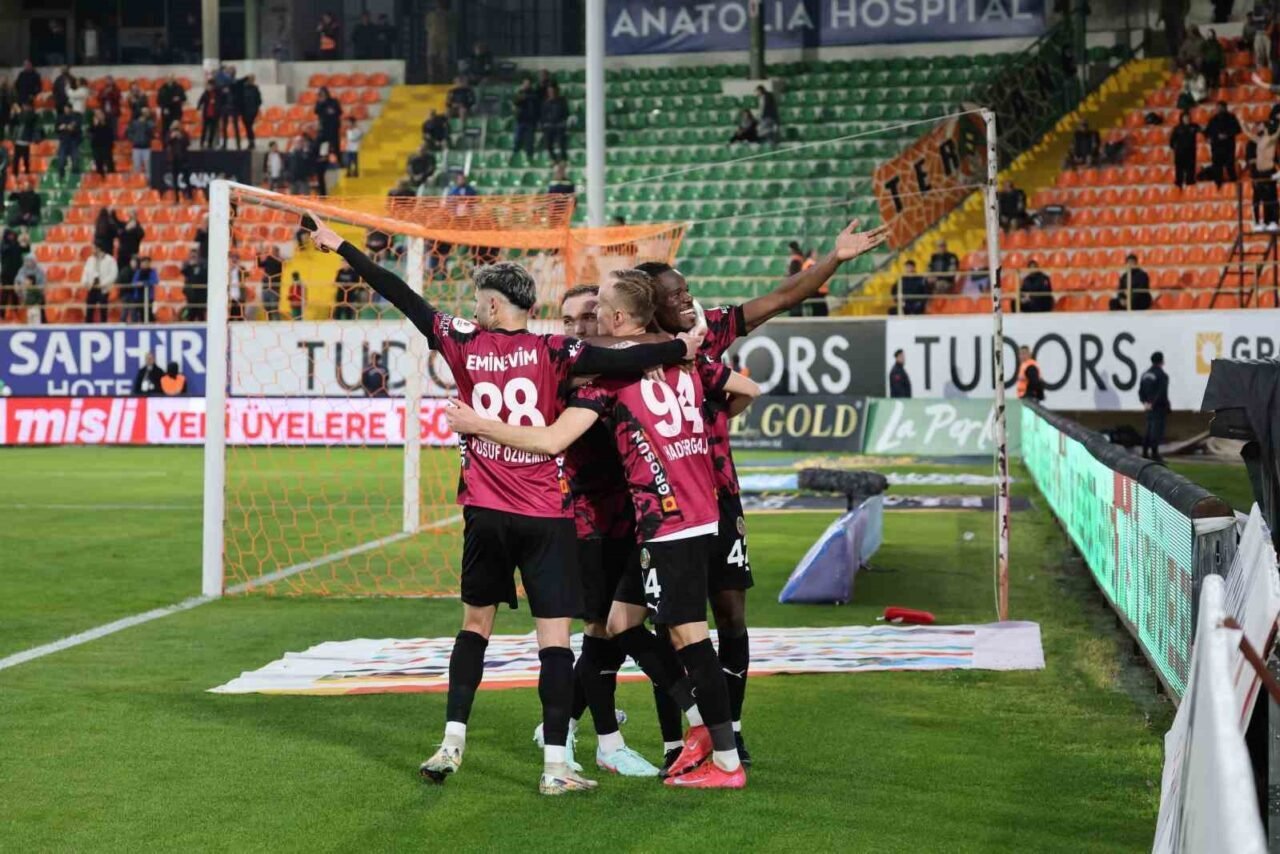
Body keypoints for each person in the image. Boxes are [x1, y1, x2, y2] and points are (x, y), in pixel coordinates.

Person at [302, 212, 709, 795]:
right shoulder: (555, 349)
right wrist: (680, 346)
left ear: (494, 305)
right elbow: (622, 359)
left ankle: (452, 741)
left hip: (485, 511)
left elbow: (399, 293)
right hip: (546, 512)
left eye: (478, 302)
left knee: (474, 627)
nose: (474, 310)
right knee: (555, 642)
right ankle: (555, 767)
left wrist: (341, 245)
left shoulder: (461, 340)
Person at [448, 270, 761, 789]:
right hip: (664, 515)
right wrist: (702, 436)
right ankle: (668, 731)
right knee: (618, 623)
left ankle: (718, 753)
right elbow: (745, 388)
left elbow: (551, 440)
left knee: (679, 634)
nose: (583, 326)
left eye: (592, 316)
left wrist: (476, 424)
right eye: (572, 319)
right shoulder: (681, 360)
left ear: (614, 318)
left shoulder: (608, 379)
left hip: (658, 519)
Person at [632, 217, 888, 764]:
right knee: (672, 626)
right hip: (666, 507)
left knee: (731, 617)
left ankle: (732, 730)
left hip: (720, 497)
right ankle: (678, 741)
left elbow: (782, 297)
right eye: (674, 295)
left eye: (686, 289)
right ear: (650, 306)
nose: (688, 299)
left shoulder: (711, 330)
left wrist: (834, 259)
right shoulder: (629, 354)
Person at [1247, 120, 1280, 230]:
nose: (1259, 128)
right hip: (1257, 174)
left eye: (1261, 126)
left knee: (1271, 197)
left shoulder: (1269, 141)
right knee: (1258, 198)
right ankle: (1258, 222)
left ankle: (1272, 221)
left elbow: (1274, 158)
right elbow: (1250, 160)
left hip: (1269, 172)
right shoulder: (1252, 143)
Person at [1139, 352, 1171, 463]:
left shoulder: (1145, 375)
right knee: (1156, 431)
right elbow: (1162, 392)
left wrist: (1145, 402)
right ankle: (1154, 453)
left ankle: (1144, 452)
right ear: (1162, 361)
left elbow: (1141, 391)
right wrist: (1154, 403)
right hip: (1158, 407)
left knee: (1148, 429)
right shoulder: (1162, 375)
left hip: (1148, 407)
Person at [1205, 101, 1241, 185]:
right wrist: (1209, 138)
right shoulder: (1213, 119)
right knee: (1217, 168)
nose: (1219, 110)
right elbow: (1207, 132)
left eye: (1221, 108)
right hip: (1216, 147)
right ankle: (1218, 186)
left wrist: (1227, 135)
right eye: (1218, 108)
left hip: (1228, 147)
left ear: (1225, 108)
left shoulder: (1231, 118)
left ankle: (1234, 185)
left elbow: (1237, 129)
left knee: (1230, 167)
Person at [81, 246, 118, 324]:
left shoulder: (110, 260)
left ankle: (104, 326)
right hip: (92, 287)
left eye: (94, 248)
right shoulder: (90, 259)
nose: (92, 250)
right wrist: (85, 282)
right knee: (89, 309)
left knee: (103, 310)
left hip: (103, 289)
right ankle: (88, 326)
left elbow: (113, 275)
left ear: (99, 249)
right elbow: (85, 272)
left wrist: (103, 284)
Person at [512, 78, 540, 165]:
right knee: (517, 140)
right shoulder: (519, 93)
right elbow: (515, 102)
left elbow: (536, 102)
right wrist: (519, 95)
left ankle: (530, 158)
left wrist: (525, 97)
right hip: (520, 120)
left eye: (527, 83)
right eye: (525, 83)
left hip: (530, 121)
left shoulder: (534, 93)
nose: (526, 85)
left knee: (529, 142)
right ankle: (515, 157)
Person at [1170, 111, 1201, 188]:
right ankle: (1178, 186)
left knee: (1191, 170)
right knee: (1179, 170)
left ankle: (1190, 186)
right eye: (1185, 118)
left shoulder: (1194, 126)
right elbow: (1172, 140)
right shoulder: (1177, 128)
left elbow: (1202, 132)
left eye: (1187, 118)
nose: (1186, 119)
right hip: (1180, 153)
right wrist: (1174, 148)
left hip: (1191, 152)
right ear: (1182, 119)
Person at [540, 83, 569, 163]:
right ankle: (553, 159)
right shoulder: (545, 103)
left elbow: (566, 113)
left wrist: (563, 122)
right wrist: (544, 124)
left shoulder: (562, 101)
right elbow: (543, 115)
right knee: (548, 144)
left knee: (561, 144)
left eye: (552, 91)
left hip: (559, 125)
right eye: (549, 91)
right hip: (549, 126)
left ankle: (563, 159)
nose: (551, 93)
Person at [52, 105, 82, 179]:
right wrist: (60, 127)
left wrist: (72, 128)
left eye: (67, 108)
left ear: (70, 109)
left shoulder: (76, 118)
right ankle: (61, 173)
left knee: (75, 159)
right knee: (61, 159)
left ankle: (75, 175)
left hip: (73, 141)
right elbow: (56, 129)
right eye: (65, 109)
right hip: (63, 141)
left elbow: (78, 130)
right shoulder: (60, 118)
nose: (66, 110)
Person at [127, 108, 156, 180]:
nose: (146, 113)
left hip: (146, 147)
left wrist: (145, 123)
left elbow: (152, 131)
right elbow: (129, 132)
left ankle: (149, 181)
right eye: (144, 112)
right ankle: (137, 180)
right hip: (136, 147)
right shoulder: (134, 122)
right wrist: (134, 139)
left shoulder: (149, 122)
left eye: (147, 112)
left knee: (148, 166)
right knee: (136, 166)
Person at [166, 124, 193, 202]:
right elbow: (166, 142)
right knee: (175, 180)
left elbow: (188, 143)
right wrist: (171, 137)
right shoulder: (170, 134)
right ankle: (176, 198)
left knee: (186, 178)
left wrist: (181, 137)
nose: (176, 130)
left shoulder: (183, 134)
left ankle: (189, 196)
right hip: (174, 160)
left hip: (183, 159)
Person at [11, 103, 39, 177]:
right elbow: (13, 123)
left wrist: (19, 112)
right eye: (23, 106)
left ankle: (27, 175)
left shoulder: (32, 115)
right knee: (15, 160)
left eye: (26, 106)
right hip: (17, 142)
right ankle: (15, 176)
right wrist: (13, 114)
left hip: (25, 142)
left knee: (26, 160)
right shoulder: (20, 114)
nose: (24, 107)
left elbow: (25, 120)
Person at [181, 248, 208, 322]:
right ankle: (188, 320)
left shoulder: (203, 263)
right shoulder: (187, 263)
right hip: (191, 292)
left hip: (201, 291)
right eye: (192, 255)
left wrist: (197, 265)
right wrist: (190, 266)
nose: (193, 257)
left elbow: (205, 275)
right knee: (191, 310)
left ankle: (202, 323)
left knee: (200, 311)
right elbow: (183, 272)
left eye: (194, 255)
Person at [315, 87, 343, 158]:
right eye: (321, 94)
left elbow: (340, 111)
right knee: (324, 144)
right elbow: (316, 111)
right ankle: (324, 159)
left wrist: (333, 111)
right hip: (324, 126)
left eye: (324, 93)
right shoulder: (319, 102)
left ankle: (338, 159)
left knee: (335, 144)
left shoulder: (334, 101)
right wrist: (321, 103)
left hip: (333, 126)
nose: (323, 95)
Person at [88, 110, 114, 176]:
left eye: (100, 114)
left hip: (106, 146)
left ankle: (111, 177)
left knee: (109, 162)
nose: (99, 116)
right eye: (97, 114)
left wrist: (110, 145)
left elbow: (111, 133)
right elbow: (90, 133)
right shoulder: (93, 124)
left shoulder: (108, 123)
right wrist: (95, 125)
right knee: (98, 162)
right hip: (96, 146)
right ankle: (100, 177)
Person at [239, 73, 261, 149]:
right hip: (244, 111)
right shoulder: (242, 88)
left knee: (249, 126)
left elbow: (259, 100)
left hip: (252, 111)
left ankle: (251, 142)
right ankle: (251, 142)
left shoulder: (255, 89)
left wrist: (255, 108)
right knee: (248, 127)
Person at [259, 250, 283, 319]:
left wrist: (270, 257)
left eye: (272, 251)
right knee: (267, 309)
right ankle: (269, 322)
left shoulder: (278, 262)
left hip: (274, 289)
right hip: (266, 288)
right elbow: (259, 264)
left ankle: (276, 323)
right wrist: (258, 256)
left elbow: (278, 267)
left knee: (274, 308)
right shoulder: (268, 260)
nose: (269, 253)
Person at [196, 81, 220, 148]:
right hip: (206, 114)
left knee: (212, 130)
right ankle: (202, 142)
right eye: (207, 86)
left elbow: (220, 102)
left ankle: (210, 143)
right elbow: (200, 101)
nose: (208, 87)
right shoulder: (205, 93)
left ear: (213, 86)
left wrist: (215, 103)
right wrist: (198, 108)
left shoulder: (217, 93)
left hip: (214, 114)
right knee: (204, 129)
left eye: (209, 86)